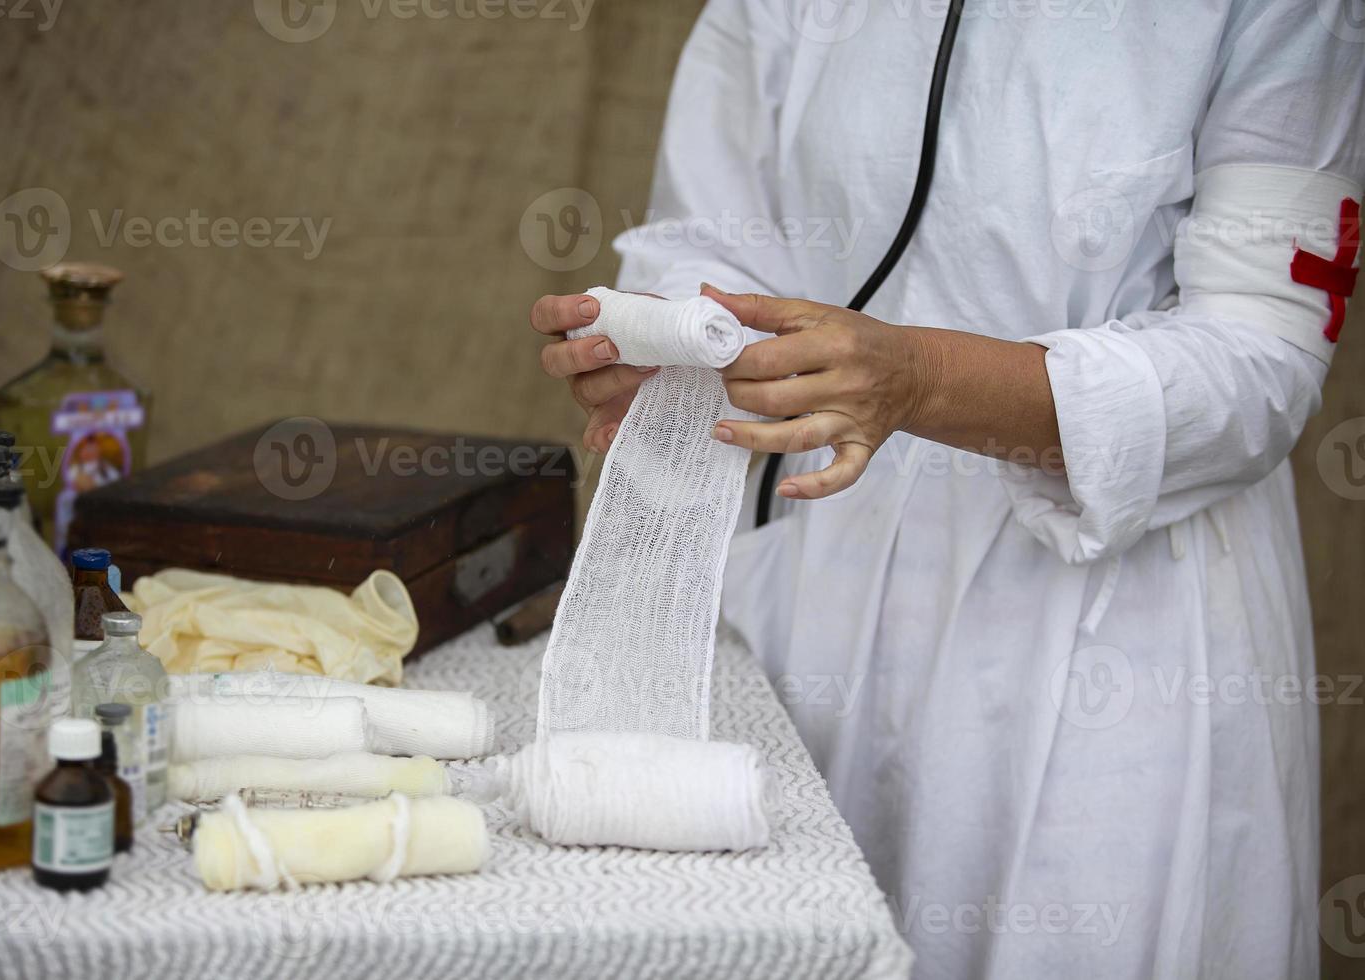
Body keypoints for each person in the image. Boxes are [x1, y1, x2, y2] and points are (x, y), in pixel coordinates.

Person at [530, 2, 1363, 977]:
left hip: (1105, 629)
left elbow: (1257, 366)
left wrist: (919, 377)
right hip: (811, 575)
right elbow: (710, 233)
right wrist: (667, 343)